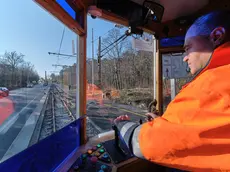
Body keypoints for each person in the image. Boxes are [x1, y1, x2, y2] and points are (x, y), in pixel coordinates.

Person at [114, 10, 230, 171]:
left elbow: (147, 144)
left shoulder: (211, 86)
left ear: (216, 36)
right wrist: (166, 123)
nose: (185, 57)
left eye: (188, 48)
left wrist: (122, 124)